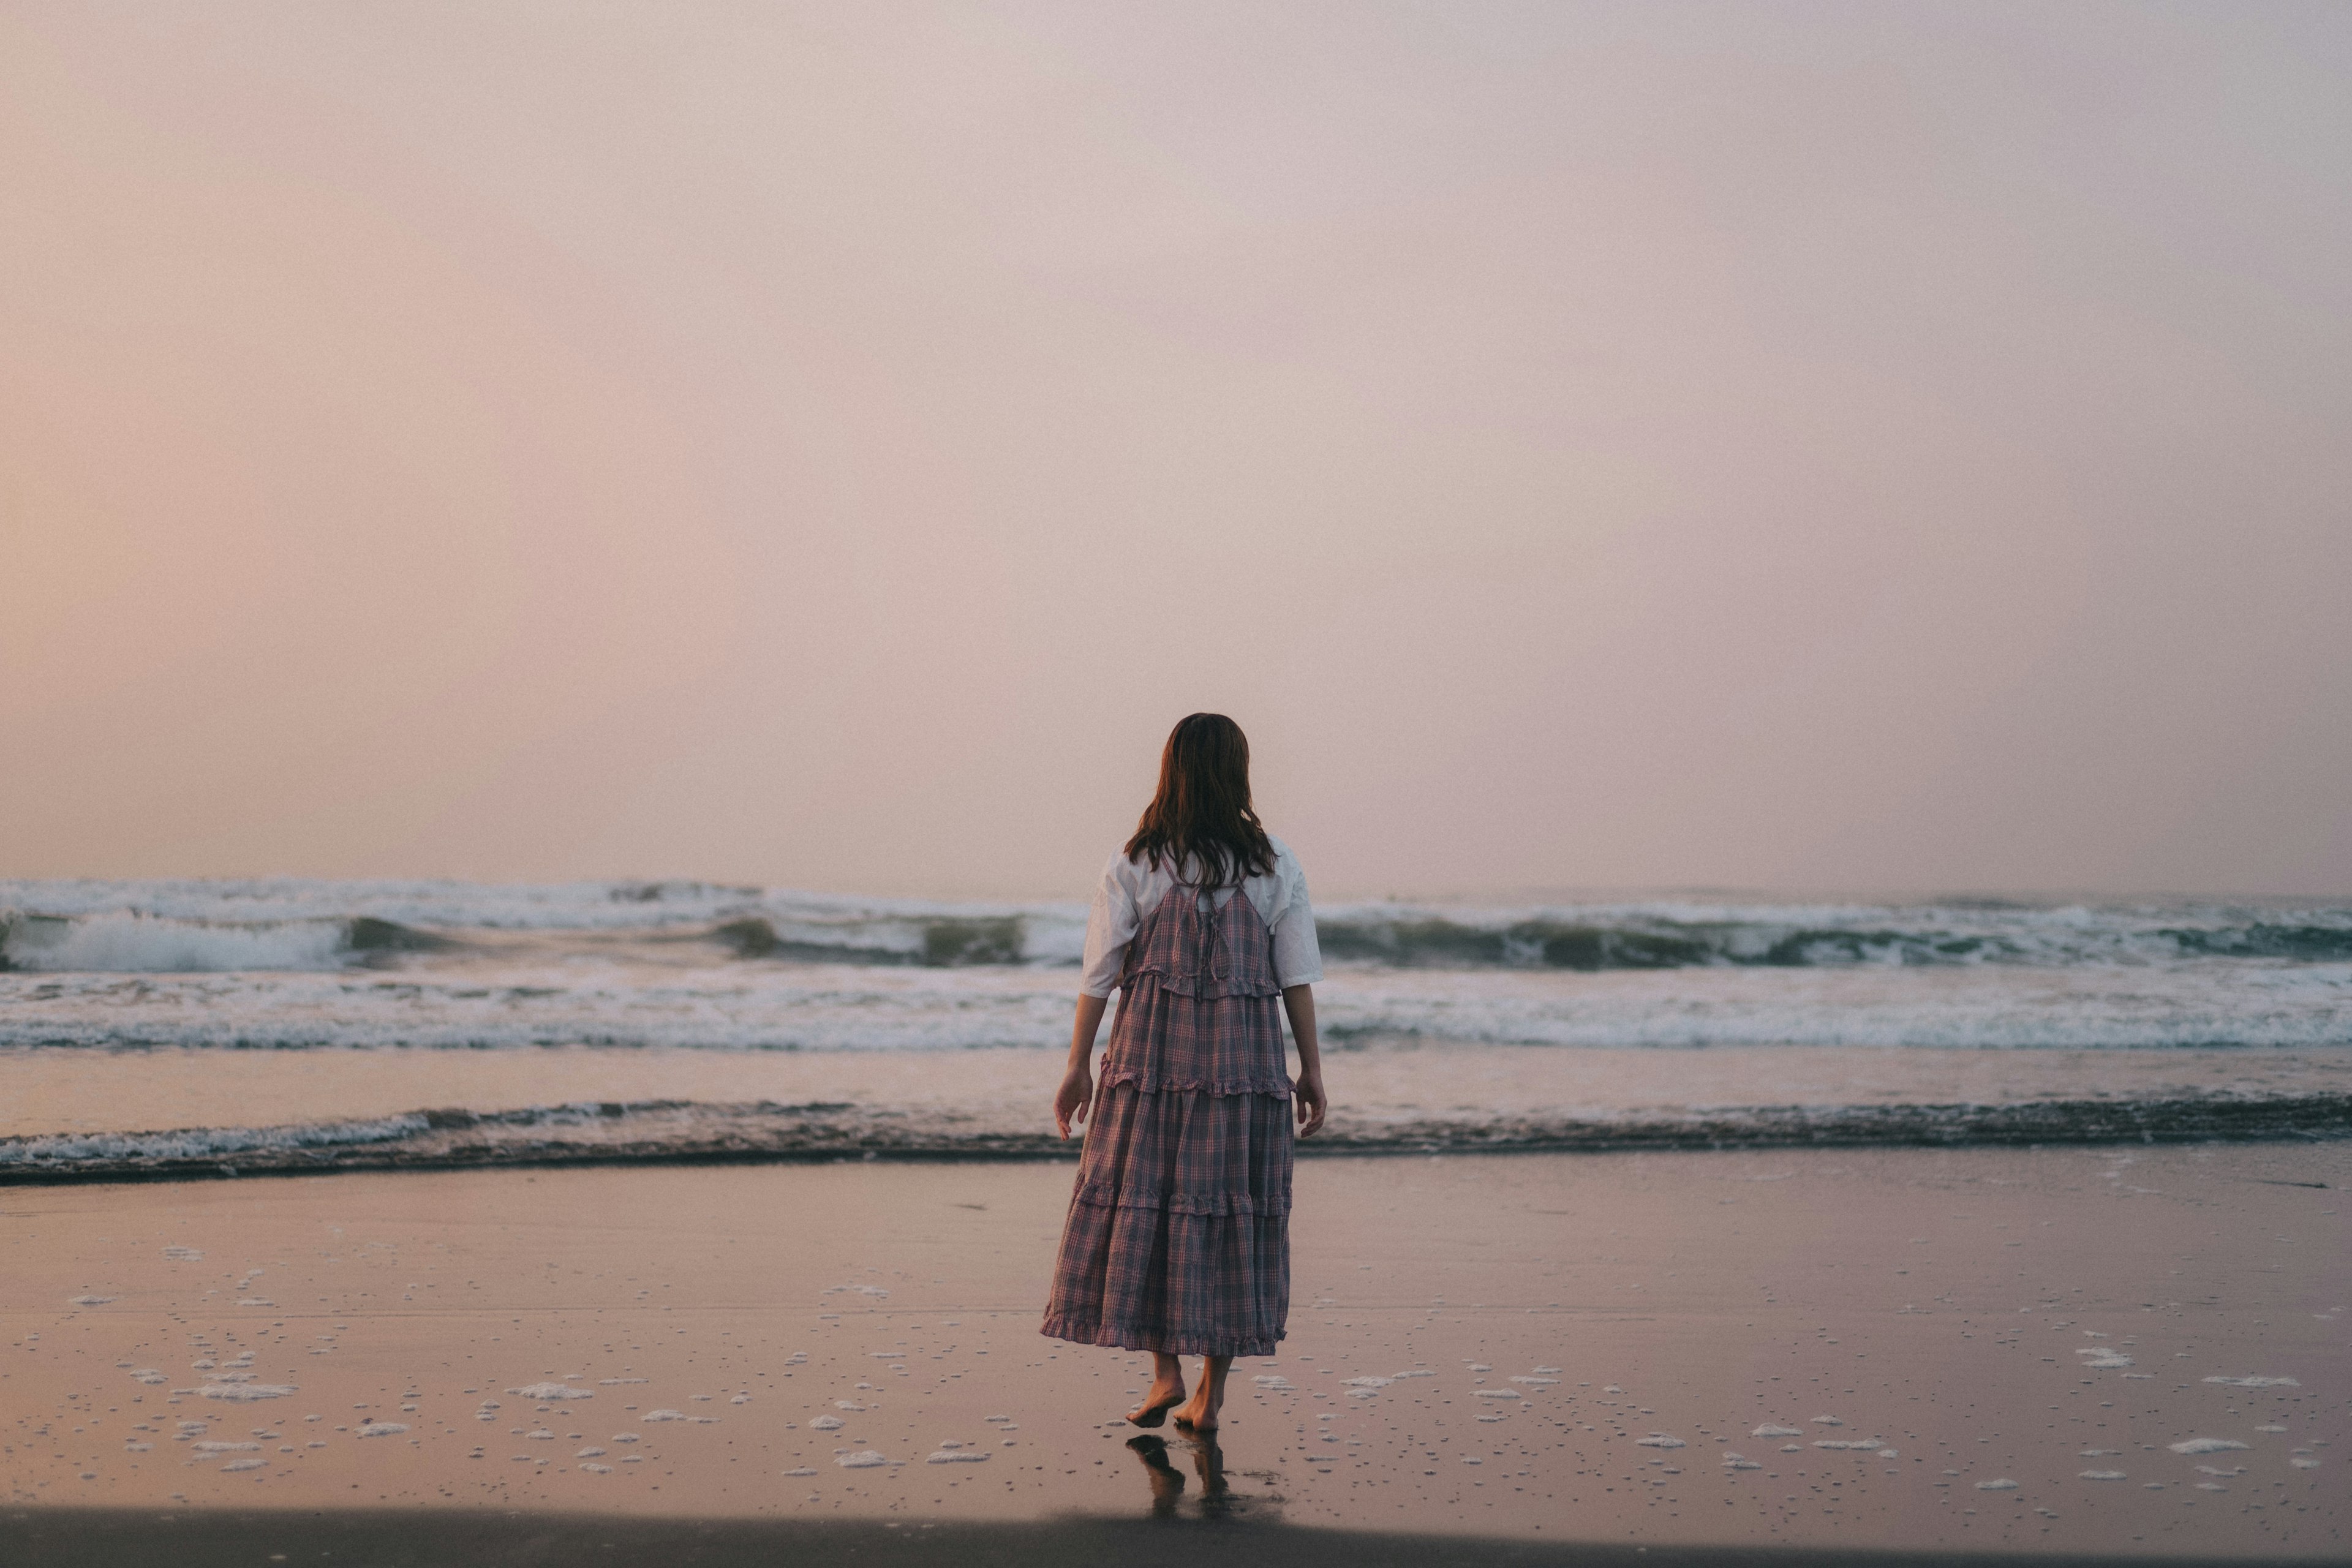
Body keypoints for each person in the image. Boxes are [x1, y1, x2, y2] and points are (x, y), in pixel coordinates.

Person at [1039, 712, 1327, 1433]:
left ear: (1170, 770)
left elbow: (1098, 976)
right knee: (1227, 1211)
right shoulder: (1273, 863)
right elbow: (1297, 977)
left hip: (1152, 1065)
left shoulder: (1136, 859)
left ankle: (1164, 1372)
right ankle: (1209, 1393)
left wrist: (1077, 1066)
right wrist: (1312, 1069)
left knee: (1151, 1205)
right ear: (1238, 771)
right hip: (1243, 1068)